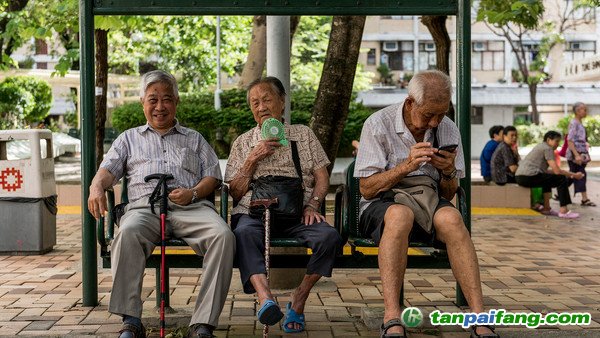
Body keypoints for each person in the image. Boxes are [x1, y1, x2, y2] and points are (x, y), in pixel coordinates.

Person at [88, 70, 235, 338]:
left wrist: (192, 193)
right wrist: (96, 185)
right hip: (145, 208)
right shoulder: (128, 139)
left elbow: (213, 176)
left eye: (166, 99)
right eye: (152, 99)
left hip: (192, 207)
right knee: (127, 233)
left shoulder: (194, 138)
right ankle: (131, 320)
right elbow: (108, 169)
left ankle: (202, 324)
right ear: (142, 102)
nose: (159, 106)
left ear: (176, 102)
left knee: (223, 235)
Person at [354, 70, 498, 338]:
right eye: (428, 114)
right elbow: (367, 188)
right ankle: (392, 315)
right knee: (400, 215)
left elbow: (450, 192)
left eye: (441, 114)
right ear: (410, 103)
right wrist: (406, 166)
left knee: (453, 220)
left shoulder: (448, 128)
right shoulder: (378, 124)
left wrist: (448, 172)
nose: (434, 122)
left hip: (428, 198)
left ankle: (480, 316)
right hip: (384, 202)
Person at [224, 77, 343, 333]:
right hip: (254, 213)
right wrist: (252, 159)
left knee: (329, 238)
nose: (261, 107)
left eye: (267, 99)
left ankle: (298, 298)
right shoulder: (243, 142)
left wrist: (313, 204)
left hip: (298, 213)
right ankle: (266, 298)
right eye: (255, 102)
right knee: (242, 232)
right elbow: (234, 192)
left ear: (282, 101)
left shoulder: (302, 134)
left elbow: (322, 177)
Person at [515, 130, 584, 218]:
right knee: (561, 179)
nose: (558, 144)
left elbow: (548, 171)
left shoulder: (540, 146)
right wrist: (574, 175)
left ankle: (546, 209)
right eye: (556, 141)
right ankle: (564, 211)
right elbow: (557, 171)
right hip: (528, 176)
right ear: (548, 140)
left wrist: (571, 174)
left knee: (547, 180)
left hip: (521, 177)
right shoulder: (548, 148)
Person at [567, 102, 596, 206]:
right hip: (576, 155)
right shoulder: (574, 123)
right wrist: (576, 155)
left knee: (572, 175)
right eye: (584, 109)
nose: (586, 111)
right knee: (581, 174)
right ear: (578, 111)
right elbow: (569, 140)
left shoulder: (579, 123)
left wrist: (586, 144)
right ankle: (584, 199)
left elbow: (578, 139)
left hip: (580, 154)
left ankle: (560, 187)